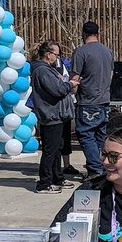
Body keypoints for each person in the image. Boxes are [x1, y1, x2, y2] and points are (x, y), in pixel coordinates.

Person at [31, 40, 79, 193]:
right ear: (48, 55)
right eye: (56, 55)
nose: (58, 59)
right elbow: (57, 90)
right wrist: (70, 84)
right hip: (51, 115)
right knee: (50, 151)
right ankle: (44, 183)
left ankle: (57, 177)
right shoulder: (42, 71)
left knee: (57, 148)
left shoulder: (48, 69)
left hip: (57, 115)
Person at [71, 21, 115, 177]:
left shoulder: (80, 52)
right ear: (98, 33)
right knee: (100, 136)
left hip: (87, 101)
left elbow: (75, 78)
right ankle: (103, 167)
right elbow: (110, 75)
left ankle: (96, 170)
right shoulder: (107, 51)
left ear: (83, 34)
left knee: (86, 135)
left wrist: (72, 90)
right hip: (104, 100)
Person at [53, 42, 81, 179]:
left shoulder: (63, 63)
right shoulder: (44, 68)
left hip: (67, 103)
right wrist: (68, 84)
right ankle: (55, 167)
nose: (56, 56)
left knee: (66, 135)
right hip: (55, 107)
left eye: (58, 54)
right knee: (56, 139)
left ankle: (66, 164)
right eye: (54, 54)